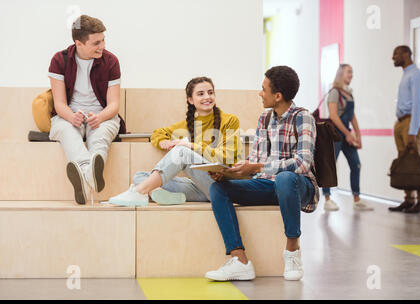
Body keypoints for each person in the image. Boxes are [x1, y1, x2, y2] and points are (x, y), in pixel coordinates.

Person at [204, 66, 318, 282]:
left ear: (278, 96)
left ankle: (292, 252)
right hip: (267, 185)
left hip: (298, 186)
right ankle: (240, 261)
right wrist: (230, 172)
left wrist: (257, 168)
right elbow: (255, 160)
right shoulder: (264, 118)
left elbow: (303, 164)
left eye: (263, 89)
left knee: (285, 178)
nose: (260, 93)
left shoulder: (303, 118)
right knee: (218, 188)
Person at [108, 77, 242, 206]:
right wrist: (163, 142)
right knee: (140, 176)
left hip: (221, 185)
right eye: (201, 94)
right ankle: (160, 193)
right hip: (199, 187)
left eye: (210, 92)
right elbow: (158, 133)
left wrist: (189, 145)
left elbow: (227, 157)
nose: (207, 97)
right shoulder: (188, 125)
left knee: (182, 152)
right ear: (190, 100)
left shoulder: (230, 121)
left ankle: (139, 192)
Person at [48, 15, 125, 205]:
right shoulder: (60, 60)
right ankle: (89, 173)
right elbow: (59, 103)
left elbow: (114, 105)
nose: (103, 46)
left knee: (100, 135)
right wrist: (71, 116)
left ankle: (84, 177)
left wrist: (100, 117)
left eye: (103, 40)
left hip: (102, 114)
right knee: (66, 131)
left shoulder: (111, 61)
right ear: (79, 43)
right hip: (69, 114)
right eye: (96, 42)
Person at [322, 64, 374, 212]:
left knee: (356, 164)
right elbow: (333, 115)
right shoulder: (334, 92)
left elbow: (352, 115)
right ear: (341, 74)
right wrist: (347, 134)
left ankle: (357, 200)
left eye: (352, 72)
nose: (351, 74)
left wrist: (358, 134)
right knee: (331, 166)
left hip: (347, 135)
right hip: (335, 135)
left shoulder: (349, 93)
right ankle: (327, 198)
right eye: (349, 72)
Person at [389, 45, 420, 214]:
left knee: (415, 161)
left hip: (411, 122)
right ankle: (408, 199)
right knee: (405, 161)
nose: (393, 58)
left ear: (406, 54)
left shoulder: (417, 75)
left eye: (396, 54)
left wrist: (413, 130)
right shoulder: (406, 74)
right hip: (401, 122)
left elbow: (418, 104)